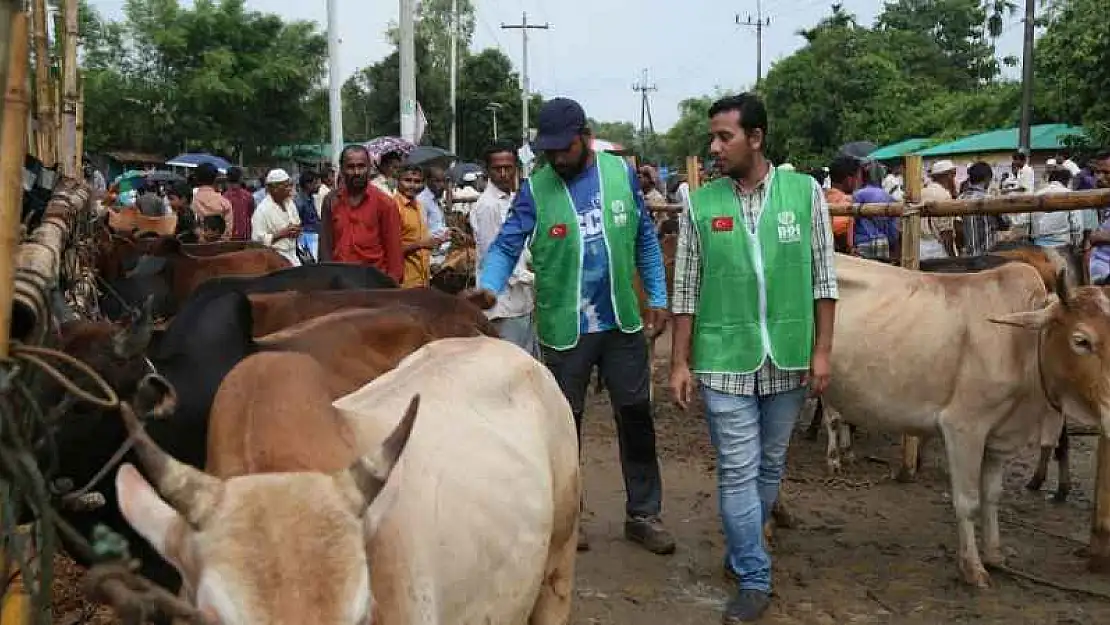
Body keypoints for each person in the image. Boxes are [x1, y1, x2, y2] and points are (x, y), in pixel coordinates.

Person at [464, 97, 673, 556]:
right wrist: (490, 287)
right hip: (564, 327)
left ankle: (643, 513)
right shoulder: (535, 190)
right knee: (563, 424)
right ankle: (566, 518)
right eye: (549, 152)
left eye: (564, 149)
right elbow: (504, 246)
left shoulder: (620, 176)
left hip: (621, 322)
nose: (557, 158)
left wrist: (657, 295)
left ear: (585, 136)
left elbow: (644, 240)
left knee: (636, 416)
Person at [670, 93, 837, 624]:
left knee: (769, 466)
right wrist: (679, 362)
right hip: (723, 357)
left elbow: (823, 280)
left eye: (725, 137)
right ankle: (754, 577)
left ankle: (744, 548)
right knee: (738, 471)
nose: (714, 147)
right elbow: (687, 290)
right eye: (713, 137)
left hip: (787, 355)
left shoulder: (805, 193)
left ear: (756, 138)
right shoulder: (701, 203)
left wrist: (823, 352)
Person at [469, 141, 538, 356]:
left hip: (519, 300)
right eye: (497, 168)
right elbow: (496, 256)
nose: (503, 173)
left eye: (508, 167)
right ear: (487, 171)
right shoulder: (488, 205)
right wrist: (535, 278)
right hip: (503, 303)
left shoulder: (511, 199)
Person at [319, 145, 405, 284]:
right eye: (351, 167)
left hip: (373, 286)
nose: (356, 172)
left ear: (369, 168)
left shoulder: (385, 204)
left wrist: (391, 288)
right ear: (341, 169)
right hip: (339, 285)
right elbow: (325, 247)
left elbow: (394, 254)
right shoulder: (331, 200)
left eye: (361, 166)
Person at [395, 165, 445, 288]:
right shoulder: (394, 207)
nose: (412, 185)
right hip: (405, 282)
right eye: (407, 180)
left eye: (417, 181)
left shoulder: (419, 205)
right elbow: (391, 250)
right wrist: (420, 244)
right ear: (398, 181)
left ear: (423, 184)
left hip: (422, 279)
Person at [251, 169, 302, 266]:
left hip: (293, 255)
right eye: (285, 186)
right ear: (274, 188)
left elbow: (297, 223)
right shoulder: (262, 210)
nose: (289, 189)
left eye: (289, 185)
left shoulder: (290, 204)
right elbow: (256, 242)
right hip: (274, 260)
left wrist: (296, 230)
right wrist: (281, 234)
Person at [852, 162, 901, 262]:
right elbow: (893, 227)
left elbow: (852, 222)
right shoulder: (888, 197)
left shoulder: (858, 195)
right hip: (883, 243)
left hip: (863, 241)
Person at [920, 160, 958, 258]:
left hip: (920, 247)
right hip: (937, 249)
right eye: (953, 174)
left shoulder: (922, 192)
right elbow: (946, 232)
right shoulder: (944, 195)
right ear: (948, 175)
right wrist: (952, 258)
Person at [958, 162, 998, 256]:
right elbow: (1006, 224)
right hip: (989, 257)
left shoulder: (959, 199)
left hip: (967, 258)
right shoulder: (991, 200)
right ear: (987, 179)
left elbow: (957, 229)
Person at [824, 156, 858, 254]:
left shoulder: (822, 197)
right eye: (856, 177)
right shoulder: (846, 201)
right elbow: (842, 234)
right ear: (849, 179)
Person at [1084, 153, 1110, 284]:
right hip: (1098, 277)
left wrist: (1099, 237)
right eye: (1097, 172)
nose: (1099, 177)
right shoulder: (1098, 203)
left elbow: (1093, 238)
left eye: (1106, 172)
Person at [417, 165, 451, 264]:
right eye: (437, 181)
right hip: (432, 257)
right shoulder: (422, 201)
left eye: (444, 181)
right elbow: (421, 232)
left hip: (443, 253)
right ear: (427, 181)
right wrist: (441, 238)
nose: (442, 185)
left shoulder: (436, 200)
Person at [191, 163, 232, 239]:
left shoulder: (192, 200)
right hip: (220, 247)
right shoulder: (224, 202)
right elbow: (228, 231)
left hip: (196, 246)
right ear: (215, 179)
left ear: (196, 179)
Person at [295, 170, 322, 261]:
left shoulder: (310, 198)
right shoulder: (299, 202)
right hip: (307, 242)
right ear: (308, 184)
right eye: (316, 183)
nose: (319, 186)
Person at [223, 166, 256, 240]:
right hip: (245, 236)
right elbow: (251, 214)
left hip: (229, 237)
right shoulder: (248, 196)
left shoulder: (223, 197)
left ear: (227, 179)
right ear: (240, 179)